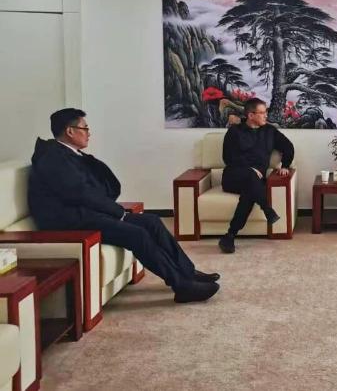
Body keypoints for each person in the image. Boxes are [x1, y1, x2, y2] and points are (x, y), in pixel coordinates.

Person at [28, 108, 220, 304]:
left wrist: (115, 209)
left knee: (152, 221)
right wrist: (118, 212)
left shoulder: (71, 155)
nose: (89, 133)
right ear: (70, 131)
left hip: (85, 213)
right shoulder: (53, 158)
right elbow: (81, 193)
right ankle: (182, 286)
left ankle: (188, 273)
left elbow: (98, 189)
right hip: (69, 221)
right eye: (85, 128)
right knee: (137, 234)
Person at [218, 98, 294, 254]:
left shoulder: (270, 131)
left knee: (250, 191)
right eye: (262, 113)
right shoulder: (234, 132)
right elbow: (228, 158)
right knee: (251, 178)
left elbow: (288, 147)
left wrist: (285, 166)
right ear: (251, 115)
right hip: (233, 176)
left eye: (266, 112)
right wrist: (249, 168)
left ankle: (230, 235)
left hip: (254, 181)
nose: (266, 115)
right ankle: (267, 209)